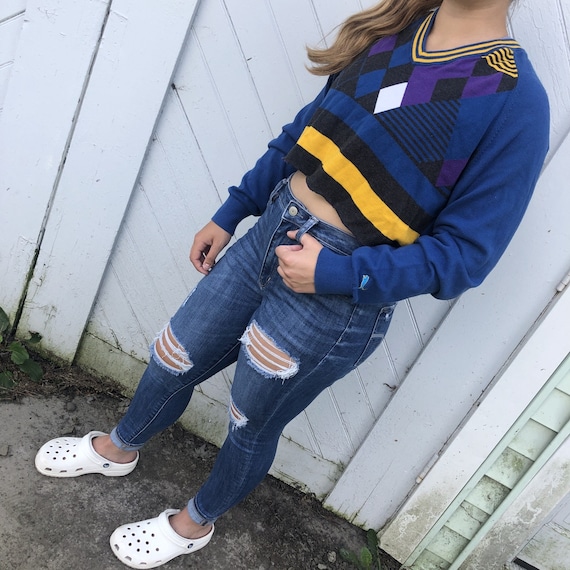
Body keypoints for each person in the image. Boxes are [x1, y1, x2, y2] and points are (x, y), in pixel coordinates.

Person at [35, 0, 549, 568]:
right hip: (269, 233)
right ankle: (118, 449)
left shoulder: (516, 101)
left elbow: (466, 256)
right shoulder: (393, 30)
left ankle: (193, 523)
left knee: (249, 423)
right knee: (172, 356)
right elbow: (303, 135)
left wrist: (336, 272)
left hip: (336, 293)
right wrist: (235, 208)